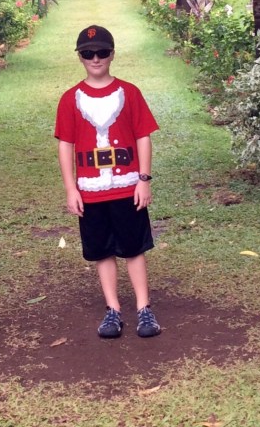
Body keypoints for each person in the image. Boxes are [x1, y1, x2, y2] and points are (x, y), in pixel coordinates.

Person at [54, 24, 161, 339]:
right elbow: (65, 145)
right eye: (88, 54)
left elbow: (143, 136)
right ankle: (112, 309)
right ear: (80, 57)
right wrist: (71, 188)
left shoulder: (129, 93)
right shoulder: (70, 99)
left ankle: (144, 309)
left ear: (112, 54)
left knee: (133, 248)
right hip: (90, 191)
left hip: (127, 187)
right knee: (101, 251)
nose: (96, 58)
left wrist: (143, 179)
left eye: (102, 52)